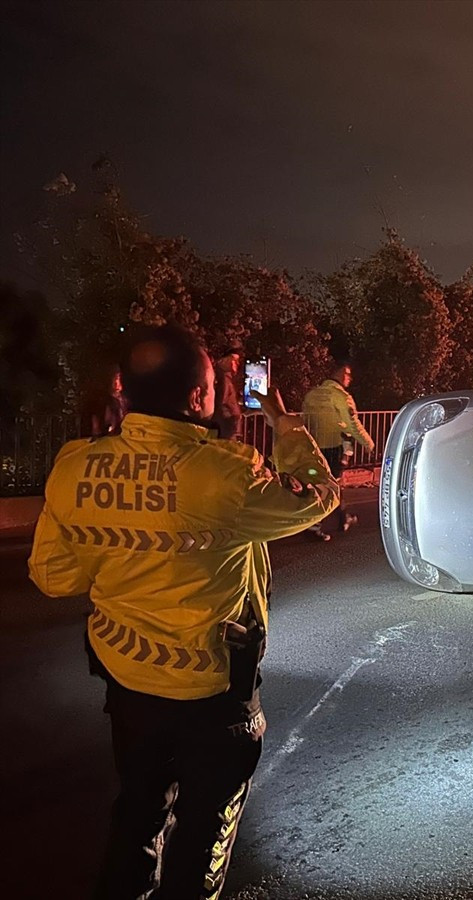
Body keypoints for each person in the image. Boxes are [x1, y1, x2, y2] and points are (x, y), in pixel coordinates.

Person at [27, 324, 339, 899]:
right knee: (206, 832)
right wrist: (279, 418)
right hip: (213, 690)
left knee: (139, 809)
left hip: (127, 680)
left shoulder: (75, 466)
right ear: (198, 399)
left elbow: (54, 577)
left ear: (124, 391)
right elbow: (319, 496)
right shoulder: (228, 472)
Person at [302, 360, 376, 539]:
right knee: (330, 487)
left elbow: (306, 420)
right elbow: (353, 424)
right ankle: (315, 525)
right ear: (339, 373)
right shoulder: (341, 397)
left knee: (323, 484)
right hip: (334, 448)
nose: (349, 378)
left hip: (314, 447)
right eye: (347, 373)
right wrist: (368, 442)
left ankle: (343, 517)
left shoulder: (311, 395)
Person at [81, 366, 126, 437]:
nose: (118, 386)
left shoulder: (125, 402)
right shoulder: (101, 402)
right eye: (115, 379)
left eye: (120, 380)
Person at [213, 350, 243, 441]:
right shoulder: (225, 378)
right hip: (227, 424)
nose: (237, 363)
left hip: (229, 424)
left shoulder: (227, 378)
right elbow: (222, 400)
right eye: (234, 360)